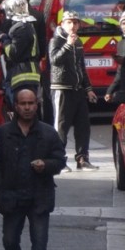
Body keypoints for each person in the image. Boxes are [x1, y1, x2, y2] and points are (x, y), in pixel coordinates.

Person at [0, 87, 66, 250]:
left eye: (31, 103)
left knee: (40, 240)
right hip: (12, 196)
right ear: (16, 106)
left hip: (39, 195)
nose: (27, 107)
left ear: (37, 105)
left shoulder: (48, 133)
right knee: (9, 240)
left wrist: (46, 165)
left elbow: (60, 161)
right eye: (23, 104)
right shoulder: (4, 133)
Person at [48, 10, 98, 171]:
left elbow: (81, 67)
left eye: (76, 22)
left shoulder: (78, 42)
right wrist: (68, 45)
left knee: (83, 125)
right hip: (62, 89)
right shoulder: (56, 40)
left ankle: (82, 158)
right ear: (62, 24)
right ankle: (59, 160)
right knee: (61, 126)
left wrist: (88, 89)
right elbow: (55, 60)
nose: (73, 26)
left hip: (77, 90)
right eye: (69, 22)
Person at [0, 0, 41, 111]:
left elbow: (13, 53)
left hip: (23, 74)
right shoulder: (26, 25)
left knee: (23, 109)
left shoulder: (20, 28)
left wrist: (6, 41)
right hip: (26, 71)